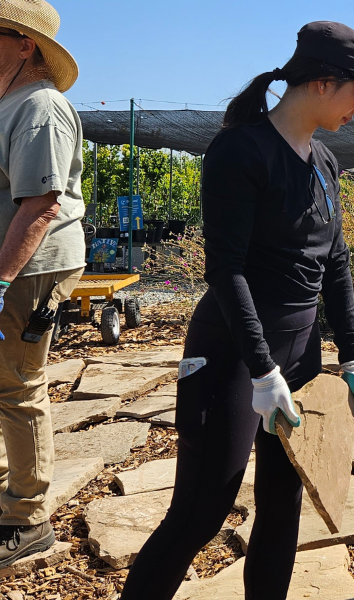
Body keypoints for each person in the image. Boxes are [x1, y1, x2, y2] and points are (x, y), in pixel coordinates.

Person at [120, 21, 354, 599]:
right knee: (200, 512)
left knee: (282, 507)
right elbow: (226, 270)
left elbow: (335, 263)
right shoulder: (240, 151)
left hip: (300, 351)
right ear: (322, 83)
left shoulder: (324, 162)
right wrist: (262, 370)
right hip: (233, 355)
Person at [0, 0, 86, 568]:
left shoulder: (39, 106)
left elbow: (40, 204)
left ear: (23, 45)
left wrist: (0, 280)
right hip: (13, 265)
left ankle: (29, 518)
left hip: (32, 267)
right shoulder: (10, 103)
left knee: (17, 383)